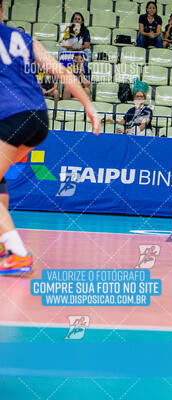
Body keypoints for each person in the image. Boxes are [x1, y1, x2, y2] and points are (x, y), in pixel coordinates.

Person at [0, 0, 100, 275]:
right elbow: (63, 71)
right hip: (39, 119)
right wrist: (89, 106)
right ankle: (3, 245)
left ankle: (17, 253)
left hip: (10, 118)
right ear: (3, 10)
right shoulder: (23, 38)